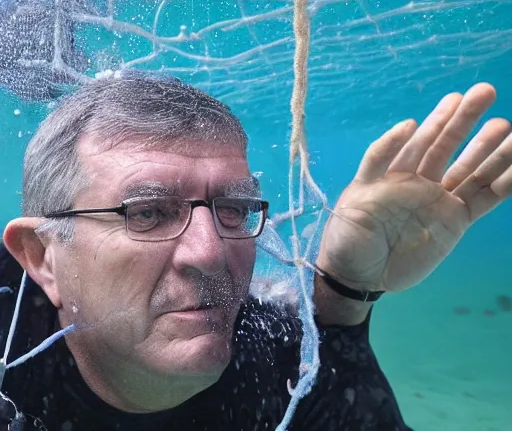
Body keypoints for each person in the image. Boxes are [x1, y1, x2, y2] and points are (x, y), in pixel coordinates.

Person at [0, 73, 510, 430]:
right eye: (148, 212)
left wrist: (345, 291)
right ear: (42, 256)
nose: (210, 252)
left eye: (234, 209)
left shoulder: (271, 351)